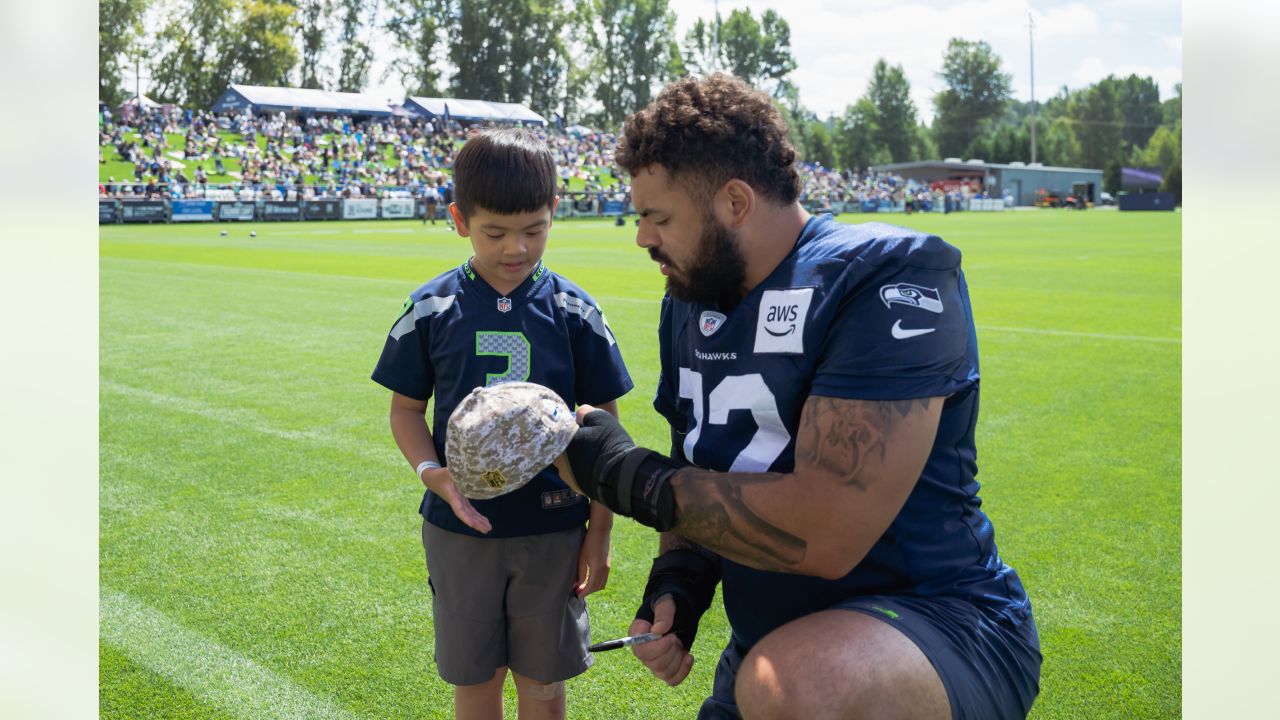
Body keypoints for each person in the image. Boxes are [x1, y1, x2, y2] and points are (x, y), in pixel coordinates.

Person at [563, 74, 1041, 720]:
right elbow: (705, 476)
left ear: (734, 202)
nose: (642, 237)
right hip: (770, 649)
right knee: (780, 677)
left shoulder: (885, 278)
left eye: (659, 217)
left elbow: (828, 530)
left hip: (941, 624)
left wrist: (627, 477)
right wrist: (683, 581)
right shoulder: (690, 303)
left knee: (795, 683)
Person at [371, 127, 633, 720]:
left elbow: (602, 434)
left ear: (554, 213)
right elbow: (405, 410)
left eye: (534, 230)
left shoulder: (575, 311)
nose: (516, 248)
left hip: (554, 526)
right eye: (495, 232)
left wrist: (600, 531)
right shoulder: (431, 308)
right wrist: (432, 472)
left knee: (543, 683)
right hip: (462, 529)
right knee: (477, 680)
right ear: (460, 220)